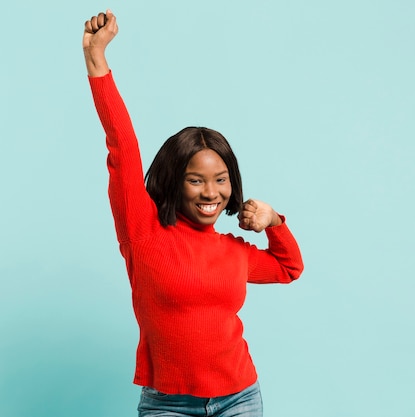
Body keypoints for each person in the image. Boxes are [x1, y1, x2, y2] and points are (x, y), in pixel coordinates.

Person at [83, 10, 304, 417]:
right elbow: (122, 146)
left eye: (221, 180)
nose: (211, 193)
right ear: (174, 181)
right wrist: (96, 59)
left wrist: (275, 222)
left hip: (241, 397)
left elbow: (289, 268)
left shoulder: (233, 252)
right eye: (195, 180)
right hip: (168, 404)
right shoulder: (143, 232)